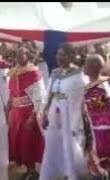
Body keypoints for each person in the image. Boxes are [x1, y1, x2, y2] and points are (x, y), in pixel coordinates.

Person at [40, 43, 89, 180]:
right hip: (54, 115)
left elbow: (79, 98)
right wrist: (45, 112)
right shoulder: (55, 73)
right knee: (52, 142)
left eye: (63, 54)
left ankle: (71, 172)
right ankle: (53, 171)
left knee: (69, 143)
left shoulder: (79, 75)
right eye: (58, 54)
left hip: (70, 116)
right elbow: (50, 93)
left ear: (72, 56)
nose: (59, 57)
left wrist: (64, 102)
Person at [83, 54, 110, 179]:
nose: (84, 66)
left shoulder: (99, 89)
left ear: (95, 66)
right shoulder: (96, 85)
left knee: (103, 168)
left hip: (103, 135)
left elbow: (102, 115)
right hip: (101, 133)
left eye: (86, 63)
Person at [8, 46, 46, 180]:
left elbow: (40, 97)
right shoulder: (13, 73)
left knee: (29, 143)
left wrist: (32, 117)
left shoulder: (34, 73)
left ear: (28, 56)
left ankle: (34, 171)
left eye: (22, 54)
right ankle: (28, 170)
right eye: (17, 54)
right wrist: (9, 113)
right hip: (17, 114)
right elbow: (11, 96)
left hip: (29, 113)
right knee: (20, 143)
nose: (18, 57)